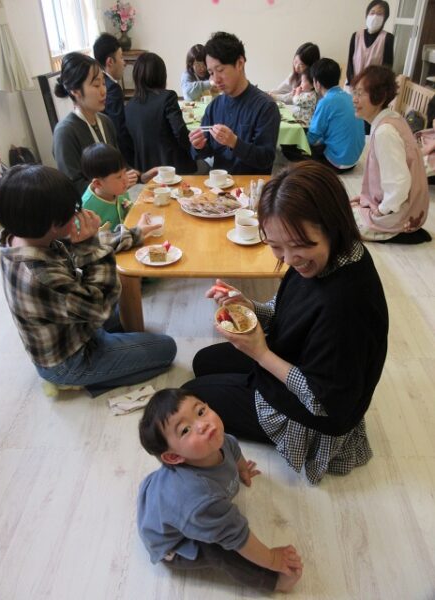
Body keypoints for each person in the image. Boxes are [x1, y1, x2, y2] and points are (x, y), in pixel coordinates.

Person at [183, 161, 389, 485]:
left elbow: (323, 402)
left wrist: (260, 353)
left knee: (192, 394)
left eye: (300, 246)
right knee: (203, 362)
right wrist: (247, 304)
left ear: (332, 226)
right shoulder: (338, 251)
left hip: (312, 413)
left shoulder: (345, 306)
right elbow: (287, 309)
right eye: (276, 246)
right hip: (295, 358)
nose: (290, 259)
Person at [0, 164, 177, 397]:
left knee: (124, 308)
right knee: (166, 350)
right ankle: (75, 381)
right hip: (71, 359)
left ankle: (109, 356)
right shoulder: (41, 277)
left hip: (74, 323)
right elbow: (100, 305)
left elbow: (94, 244)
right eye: (72, 211)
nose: (77, 214)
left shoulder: (21, 235)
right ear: (53, 225)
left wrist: (136, 233)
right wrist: (89, 245)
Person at [137, 388, 303, 593]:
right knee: (221, 553)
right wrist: (272, 559)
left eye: (200, 411)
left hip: (169, 503)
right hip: (173, 544)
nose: (203, 424)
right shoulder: (202, 500)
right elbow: (238, 537)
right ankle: (273, 581)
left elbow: (234, 449)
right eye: (185, 430)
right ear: (174, 457)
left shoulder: (220, 441)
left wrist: (242, 469)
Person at [351, 66, 431, 243]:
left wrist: (382, 210)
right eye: (354, 93)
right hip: (407, 205)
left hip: (402, 210)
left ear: (379, 97)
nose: (354, 99)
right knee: (344, 207)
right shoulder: (392, 117)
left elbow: (399, 183)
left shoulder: (385, 131)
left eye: (360, 94)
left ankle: (396, 229)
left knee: (338, 222)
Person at [189, 31, 281, 175]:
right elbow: (205, 152)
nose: (215, 79)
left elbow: (265, 159)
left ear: (240, 63)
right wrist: (198, 146)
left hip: (251, 184)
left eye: (220, 70)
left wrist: (234, 143)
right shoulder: (214, 106)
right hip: (219, 184)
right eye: (211, 73)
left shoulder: (265, 106)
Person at [53, 52, 139, 195]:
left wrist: (140, 176)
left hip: (117, 200)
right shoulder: (65, 132)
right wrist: (112, 185)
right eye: (96, 85)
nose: (103, 91)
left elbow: (118, 166)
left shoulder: (105, 121)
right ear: (75, 91)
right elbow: (73, 186)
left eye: (103, 83)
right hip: (92, 207)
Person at [125, 52, 196, 174]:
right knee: (206, 164)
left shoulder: (129, 106)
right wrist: (195, 148)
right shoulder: (168, 97)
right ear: (162, 75)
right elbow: (180, 132)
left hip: (145, 171)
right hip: (172, 169)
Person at [81, 143, 158, 238]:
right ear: (98, 184)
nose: (125, 179)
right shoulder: (86, 210)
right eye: (119, 177)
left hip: (130, 237)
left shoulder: (119, 190)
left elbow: (130, 212)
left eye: (125, 172)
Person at [307, 58, 365, 172]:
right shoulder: (349, 97)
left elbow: (312, 138)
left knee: (293, 150)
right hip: (353, 161)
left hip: (336, 163)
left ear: (317, 83)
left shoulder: (325, 102)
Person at [93, 33, 134, 166]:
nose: (124, 62)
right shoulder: (112, 88)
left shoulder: (103, 83)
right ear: (110, 62)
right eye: (121, 57)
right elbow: (119, 129)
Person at [346, 1, 394, 89]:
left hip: (373, 88)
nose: (375, 16)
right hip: (354, 84)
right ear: (367, 15)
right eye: (372, 12)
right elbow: (350, 63)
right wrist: (353, 83)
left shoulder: (387, 38)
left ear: (385, 18)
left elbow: (387, 68)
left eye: (380, 14)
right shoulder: (356, 36)